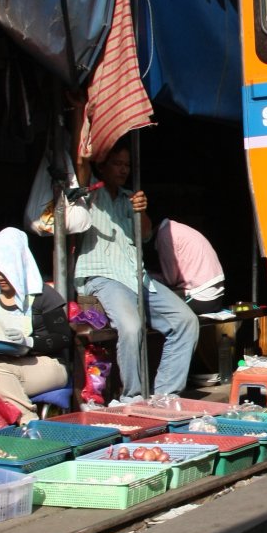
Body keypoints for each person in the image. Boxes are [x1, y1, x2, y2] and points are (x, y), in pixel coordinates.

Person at [71, 138, 198, 401]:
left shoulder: (132, 198)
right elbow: (81, 164)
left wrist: (141, 210)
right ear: (103, 167)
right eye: (117, 164)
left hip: (136, 277)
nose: (123, 169)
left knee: (186, 321)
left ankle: (165, 395)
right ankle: (134, 396)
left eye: (127, 165)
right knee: (131, 326)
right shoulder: (91, 194)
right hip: (102, 276)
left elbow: (147, 234)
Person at [0, 227, 72, 423]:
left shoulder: (42, 295)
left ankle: (29, 423)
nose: (0, 276)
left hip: (48, 365)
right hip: (8, 364)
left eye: (6, 269)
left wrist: (28, 342)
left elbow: (63, 337)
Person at [150, 219, 226, 315]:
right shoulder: (176, 228)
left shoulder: (165, 235)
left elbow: (170, 280)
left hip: (202, 297)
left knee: (152, 306)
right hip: (216, 296)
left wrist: (148, 275)